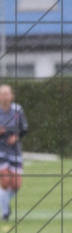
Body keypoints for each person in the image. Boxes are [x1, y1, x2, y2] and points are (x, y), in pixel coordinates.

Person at [0, 84, 28, 221]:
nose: (5, 97)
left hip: (15, 150)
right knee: (5, 181)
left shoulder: (18, 110)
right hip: (0, 151)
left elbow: (25, 128)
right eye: (2, 94)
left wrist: (16, 137)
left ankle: (3, 201)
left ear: (12, 96)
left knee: (16, 185)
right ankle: (5, 212)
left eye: (7, 94)